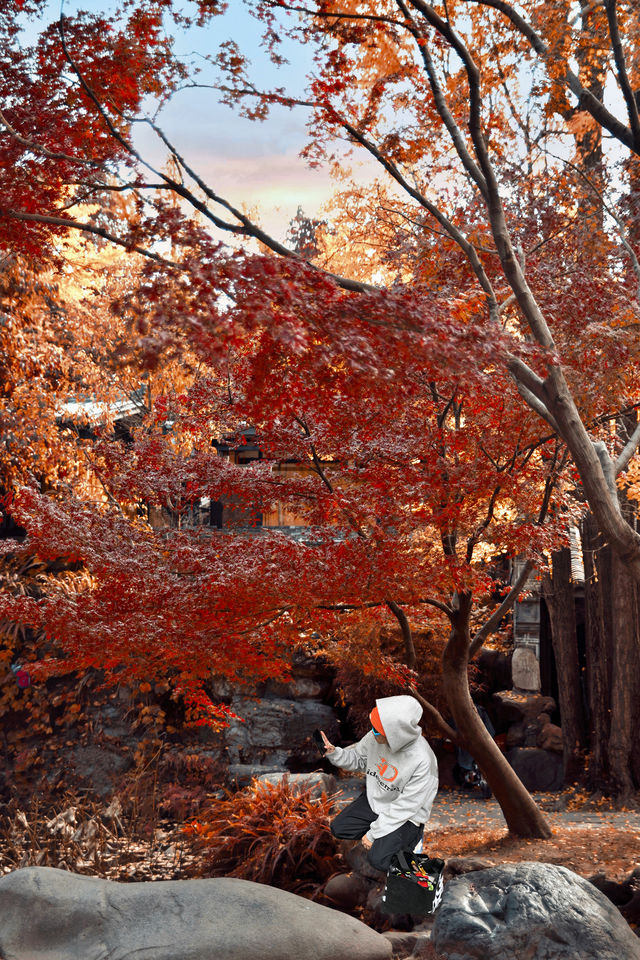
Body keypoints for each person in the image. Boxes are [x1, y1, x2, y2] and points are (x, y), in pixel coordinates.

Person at [320, 694, 439, 873]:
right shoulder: (375, 737)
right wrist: (334, 753)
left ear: (396, 734)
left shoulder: (423, 760)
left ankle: (412, 844)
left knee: (379, 860)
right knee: (339, 828)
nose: (372, 732)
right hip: (378, 799)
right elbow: (358, 759)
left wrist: (374, 833)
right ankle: (387, 836)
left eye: (377, 730)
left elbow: (405, 806)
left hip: (407, 815)